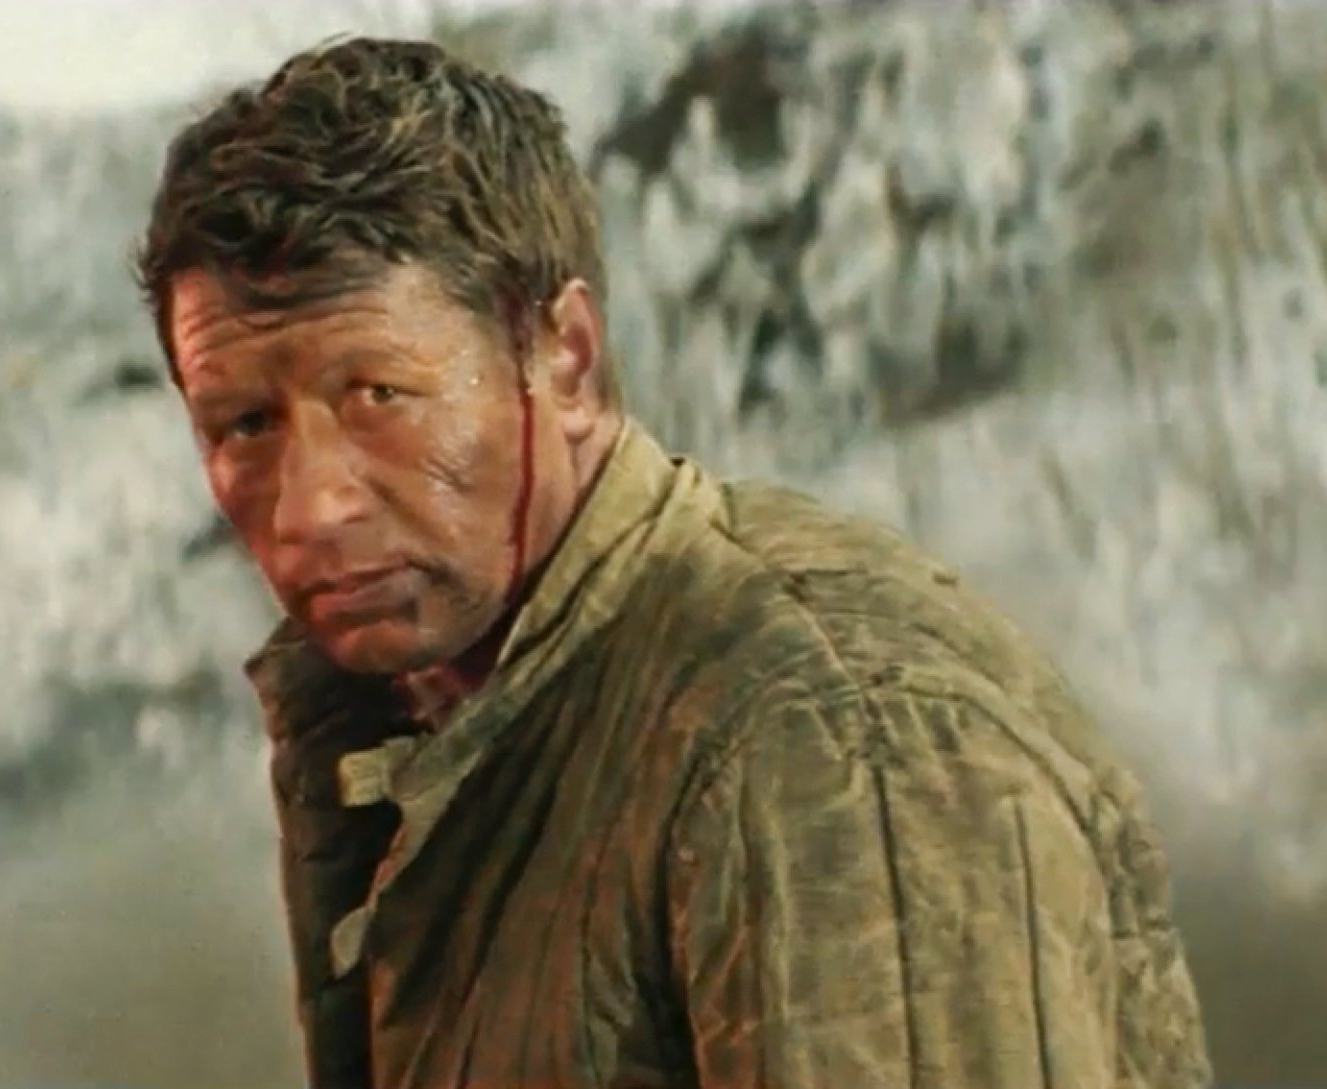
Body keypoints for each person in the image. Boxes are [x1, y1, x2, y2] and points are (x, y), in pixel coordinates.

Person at [133, 35, 1213, 1089]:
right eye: (244, 426)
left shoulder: (828, 738)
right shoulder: (424, 716)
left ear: (565, 360)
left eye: (380, 395)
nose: (311, 504)